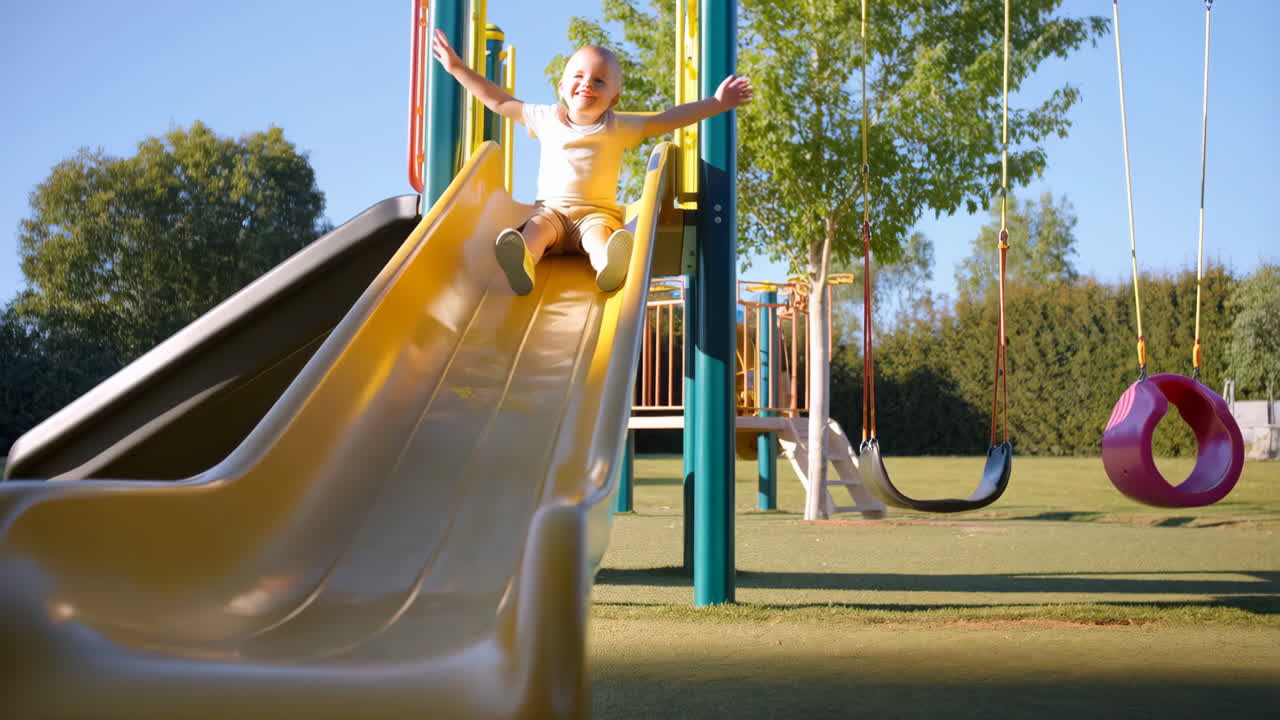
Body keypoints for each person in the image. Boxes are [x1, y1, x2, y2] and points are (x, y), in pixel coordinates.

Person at [432, 29, 752, 294]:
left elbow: (668, 119)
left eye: (599, 81)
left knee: (600, 239)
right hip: (551, 212)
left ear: (614, 97)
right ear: (561, 88)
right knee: (534, 232)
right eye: (579, 76)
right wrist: (457, 68)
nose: (587, 84)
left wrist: (716, 103)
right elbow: (499, 101)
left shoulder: (620, 126)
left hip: (595, 214)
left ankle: (608, 267)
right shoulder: (544, 118)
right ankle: (523, 264)